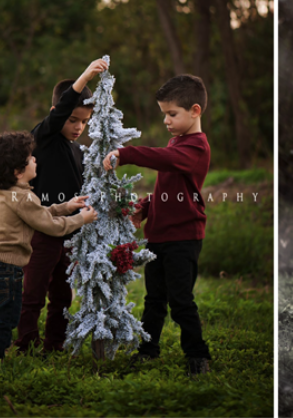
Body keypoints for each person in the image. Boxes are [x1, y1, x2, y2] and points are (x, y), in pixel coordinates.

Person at [103, 74, 212, 376]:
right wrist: (145, 209)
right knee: (154, 300)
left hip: (183, 237)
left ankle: (197, 355)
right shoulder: (177, 141)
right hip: (158, 237)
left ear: (195, 111)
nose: (166, 120)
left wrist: (125, 154)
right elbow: (167, 185)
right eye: (164, 114)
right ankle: (148, 350)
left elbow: (163, 160)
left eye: (171, 114)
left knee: (181, 301)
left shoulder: (195, 147)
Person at [0, 131, 97, 362]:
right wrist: (81, 219)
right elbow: (49, 226)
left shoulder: (6, 191)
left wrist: (67, 206)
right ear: (17, 171)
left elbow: (39, 214)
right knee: (4, 319)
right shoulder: (24, 198)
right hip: (6, 269)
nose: (35, 160)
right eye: (31, 158)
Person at [15, 58, 109, 354]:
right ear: (58, 114)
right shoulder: (43, 138)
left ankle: (54, 343)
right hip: (42, 230)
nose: (79, 126)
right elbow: (60, 114)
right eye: (73, 120)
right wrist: (85, 77)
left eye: (84, 121)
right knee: (33, 292)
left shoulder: (78, 150)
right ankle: (26, 342)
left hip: (70, 232)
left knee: (62, 294)